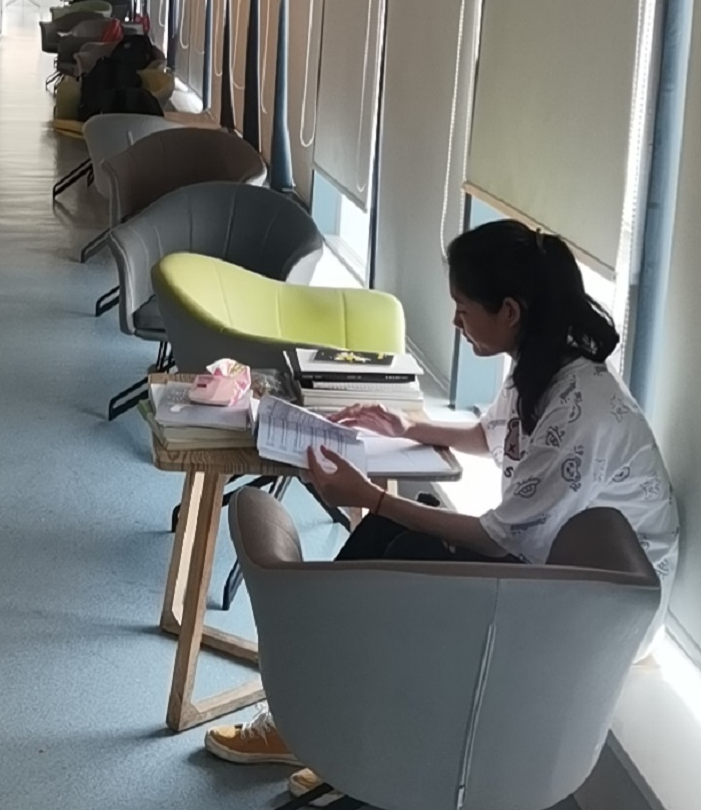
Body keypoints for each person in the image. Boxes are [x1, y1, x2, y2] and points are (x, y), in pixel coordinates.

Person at [205, 219, 678, 767]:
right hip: (562, 571)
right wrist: (408, 427)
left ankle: (326, 727)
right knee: (393, 531)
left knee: (409, 556)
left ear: (509, 311)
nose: (455, 321)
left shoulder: (581, 408)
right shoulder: (546, 362)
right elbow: (490, 434)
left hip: (605, 610)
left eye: (463, 308)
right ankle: (317, 717)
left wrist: (370, 493)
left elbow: (497, 540)